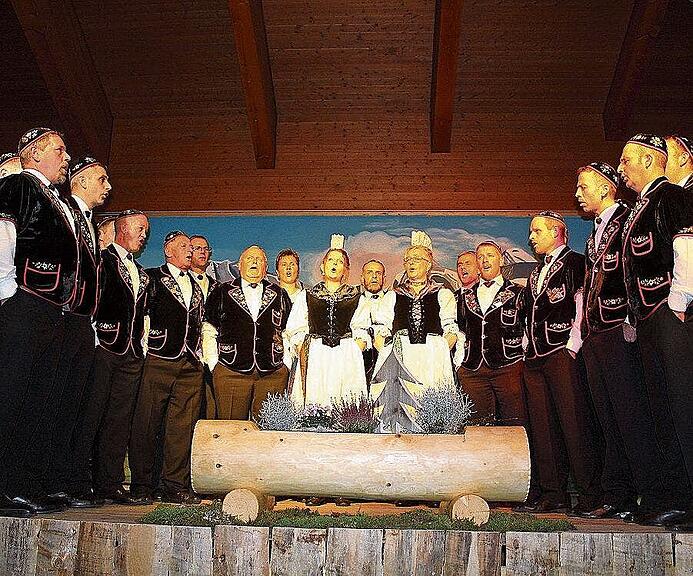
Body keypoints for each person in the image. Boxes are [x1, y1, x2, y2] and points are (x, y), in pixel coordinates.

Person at [576, 161, 675, 521]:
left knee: (632, 417)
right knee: (607, 419)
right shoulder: (594, 233)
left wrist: (631, 317)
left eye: (583, 186)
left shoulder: (626, 219)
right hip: (596, 334)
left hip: (620, 330)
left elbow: (634, 271)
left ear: (605, 188)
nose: (577, 193)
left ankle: (653, 496)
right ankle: (618, 495)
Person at [618, 133, 693, 529]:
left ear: (649, 160)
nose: (621, 168)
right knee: (661, 412)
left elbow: (686, 247)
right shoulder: (642, 205)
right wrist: (634, 316)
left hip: (670, 315)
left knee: (682, 409)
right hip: (649, 319)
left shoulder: (671, 197)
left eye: (626, 159)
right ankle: (675, 498)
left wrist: (678, 302)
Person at [0, 127, 74, 516]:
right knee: (12, 396)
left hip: (47, 310)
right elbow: (3, 236)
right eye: (59, 150)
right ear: (34, 153)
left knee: (37, 400)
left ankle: (24, 483)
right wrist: (8, 293)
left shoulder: (51, 196)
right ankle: (4, 486)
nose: (67, 157)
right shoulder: (19, 185)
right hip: (23, 304)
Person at [516, 211, 602, 514]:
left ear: (556, 232)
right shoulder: (536, 272)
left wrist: (572, 345)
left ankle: (591, 495)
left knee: (574, 423)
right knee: (543, 427)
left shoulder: (576, 263)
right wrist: (526, 345)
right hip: (535, 357)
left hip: (562, 353)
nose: (531, 238)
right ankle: (554, 494)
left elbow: (583, 302)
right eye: (531, 232)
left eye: (537, 231)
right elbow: (529, 313)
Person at [44, 157, 111, 509]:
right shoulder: (64, 210)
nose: (108, 187)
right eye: (102, 179)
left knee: (75, 408)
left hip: (83, 323)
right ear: (81, 181)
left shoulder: (88, 220)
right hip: (63, 318)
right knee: (56, 404)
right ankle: (49, 482)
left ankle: (66, 482)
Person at [73, 209, 150, 505]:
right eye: (140, 229)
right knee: (91, 417)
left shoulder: (141, 272)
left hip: (131, 354)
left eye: (146, 230)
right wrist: (94, 338)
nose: (144, 235)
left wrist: (140, 345)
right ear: (122, 229)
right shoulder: (101, 260)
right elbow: (89, 300)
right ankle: (79, 483)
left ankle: (110, 484)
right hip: (104, 348)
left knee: (119, 421)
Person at [129, 231, 205, 504]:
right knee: (146, 423)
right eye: (183, 246)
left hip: (189, 364)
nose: (190, 250)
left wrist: (200, 357)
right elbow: (139, 315)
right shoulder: (152, 278)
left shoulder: (197, 286)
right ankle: (142, 485)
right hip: (159, 359)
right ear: (168, 251)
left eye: (191, 246)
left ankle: (174, 485)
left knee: (181, 428)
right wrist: (145, 350)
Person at [202, 245, 292, 419]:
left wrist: (285, 365)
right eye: (249, 259)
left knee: (267, 429)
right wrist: (214, 364)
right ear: (240, 265)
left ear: (266, 267)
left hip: (272, 374)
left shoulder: (280, 294)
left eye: (259, 260)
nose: (254, 262)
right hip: (230, 371)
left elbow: (288, 332)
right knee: (231, 429)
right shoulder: (221, 291)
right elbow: (208, 329)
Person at [285, 240, 371, 407]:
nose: (335, 264)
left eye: (340, 262)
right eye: (331, 260)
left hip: (345, 355)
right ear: (322, 267)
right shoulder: (307, 295)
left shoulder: (356, 297)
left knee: (345, 402)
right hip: (316, 356)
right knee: (315, 402)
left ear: (345, 270)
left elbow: (362, 326)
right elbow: (295, 328)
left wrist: (353, 349)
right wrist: (305, 349)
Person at [454, 241, 527, 428]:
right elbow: (459, 331)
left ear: (501, 261)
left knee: (514, 424)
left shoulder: (518, 292)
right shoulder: (464, 296)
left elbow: (528, 327)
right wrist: (460, 364)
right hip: (473, 371)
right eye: (480, 257)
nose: (485, 260)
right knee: (477, 428)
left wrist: (523, 360)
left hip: (509, 367)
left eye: (490, 255)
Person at [373, 237, 458, 394]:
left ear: (428, 265)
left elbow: (451, 332)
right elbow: (380, 333)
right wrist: (392, 357)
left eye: (417, 259)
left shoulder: (442, 294)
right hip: (402, 363)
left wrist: (436, 356)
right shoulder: (393, 296)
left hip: (432, 364)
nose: (411, 262)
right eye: (408, 260)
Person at [360, 259, 387, 386]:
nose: (374, 276)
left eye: (378, 273)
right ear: (362, 278)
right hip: (360, 362)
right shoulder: (352, 301)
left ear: (384, 279)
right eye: (369, 272)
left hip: (386, 360)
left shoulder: (394, 300)